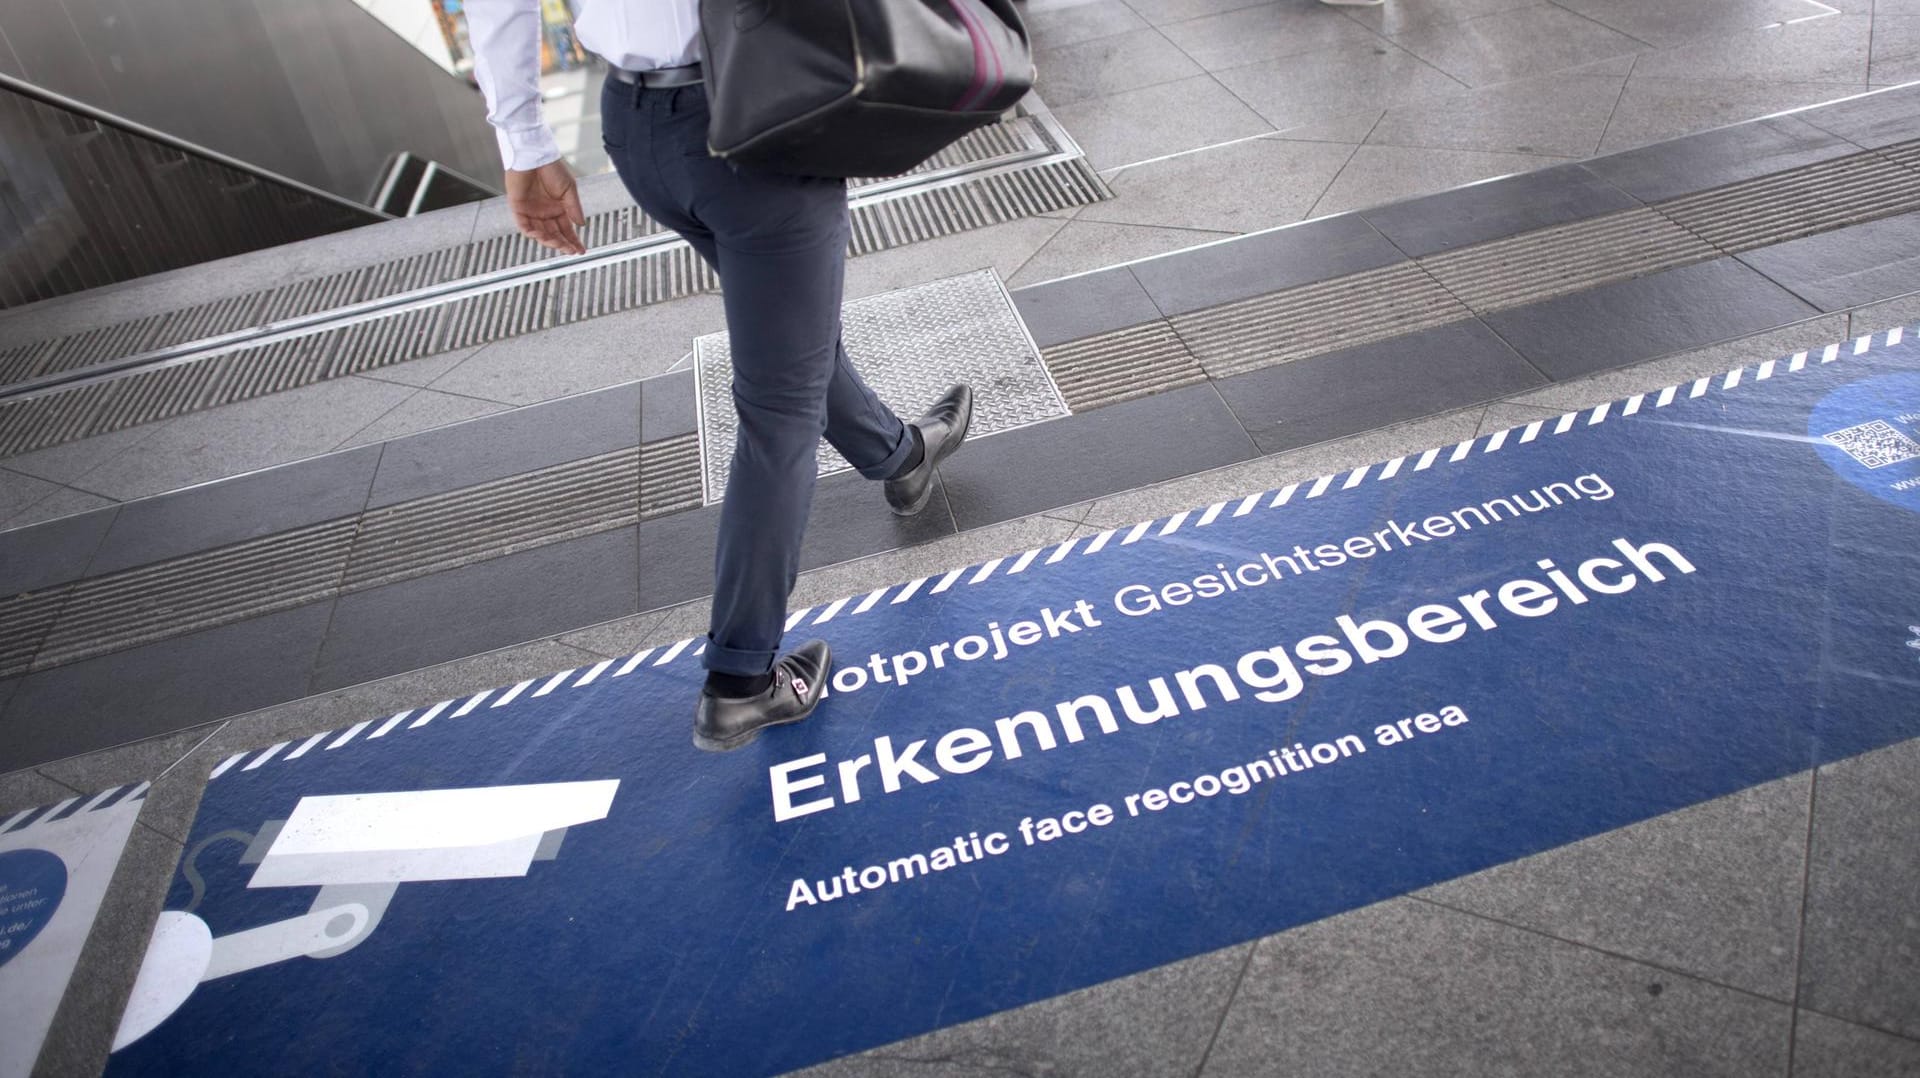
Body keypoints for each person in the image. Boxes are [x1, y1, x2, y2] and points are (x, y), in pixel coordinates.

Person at [463, 0, 973, 752]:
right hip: (755, 110)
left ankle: (900, 456)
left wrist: (524, 142)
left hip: (637, 125)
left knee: (787, 343)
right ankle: (741, 681)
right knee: (780, 409)